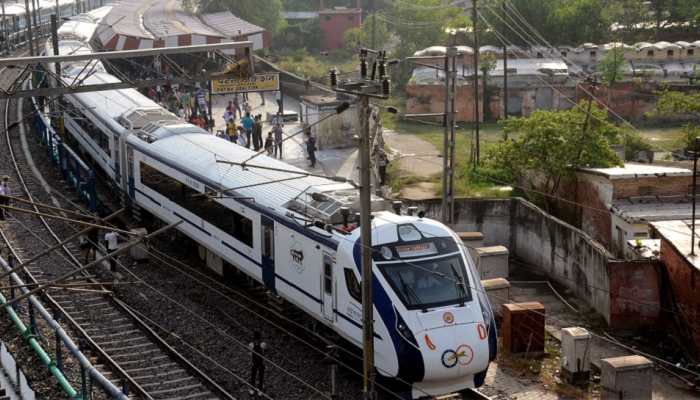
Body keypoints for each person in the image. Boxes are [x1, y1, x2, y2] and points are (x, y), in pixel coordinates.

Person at [248, 331, 267, 396]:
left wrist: (264, 363)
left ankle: (259, 389)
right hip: (255, 363)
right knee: (254, 375)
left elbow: (263, 354)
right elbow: (251, 354)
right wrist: (251, 362)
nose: (256, 340)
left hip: (260, 363)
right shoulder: (251, 344)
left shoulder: (262, 344)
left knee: (260, 376)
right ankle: (253, 388)